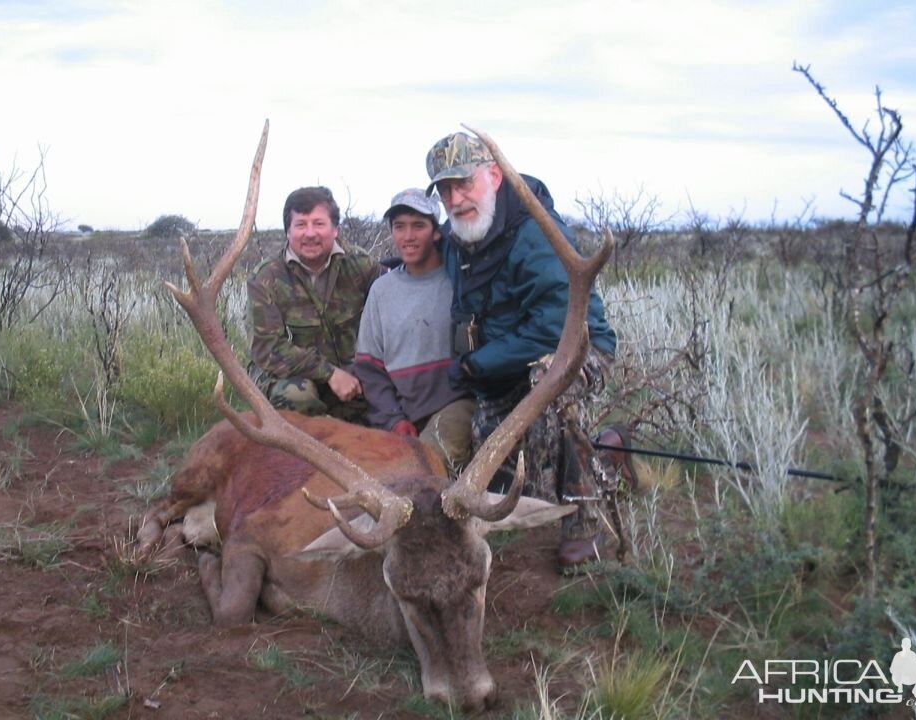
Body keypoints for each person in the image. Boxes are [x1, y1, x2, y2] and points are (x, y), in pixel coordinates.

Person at [425, 131, 632, 571]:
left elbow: (553, 332)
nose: (456, 197)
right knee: (498, 456)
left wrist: (477, 363)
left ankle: (584, 521)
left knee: (550, 393)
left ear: (495, 176)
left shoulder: (537, 235)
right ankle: (607, 451)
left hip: (572, 350)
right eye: (445, 189)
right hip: (504, 363)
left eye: (464, 183)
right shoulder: (458, 235)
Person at [353, 189, 475, 469]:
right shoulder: (382, 291)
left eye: (418, 226)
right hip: (401, 412)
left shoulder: (460, 282)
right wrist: (393, 420)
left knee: (426, 467)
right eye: (400, 227)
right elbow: (370, 369)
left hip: (454, 403)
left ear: (435, 231)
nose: (408, 236)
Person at [247, 186, 382, 423]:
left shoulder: (362, 266)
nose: (310, 233)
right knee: (296, 396)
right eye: (301, 225)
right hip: (287, 377)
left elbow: (387, 321)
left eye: (319, 223)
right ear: (288, 231)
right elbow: (267, 348)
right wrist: (329, 373)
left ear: (335, 229)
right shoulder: (266, 277)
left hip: (351, 377)